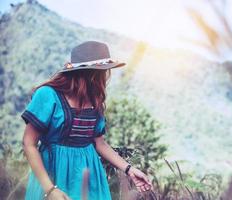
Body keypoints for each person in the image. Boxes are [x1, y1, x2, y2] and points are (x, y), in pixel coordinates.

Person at [21, 41, 153, 200]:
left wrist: (129, 169)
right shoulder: (48, 95)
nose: (104, 77)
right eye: (101, 72)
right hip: (54, 173)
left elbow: (99, 143)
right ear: (88, 73)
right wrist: (49, 189)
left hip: (89, 176)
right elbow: (29, 144)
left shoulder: (94, 99)